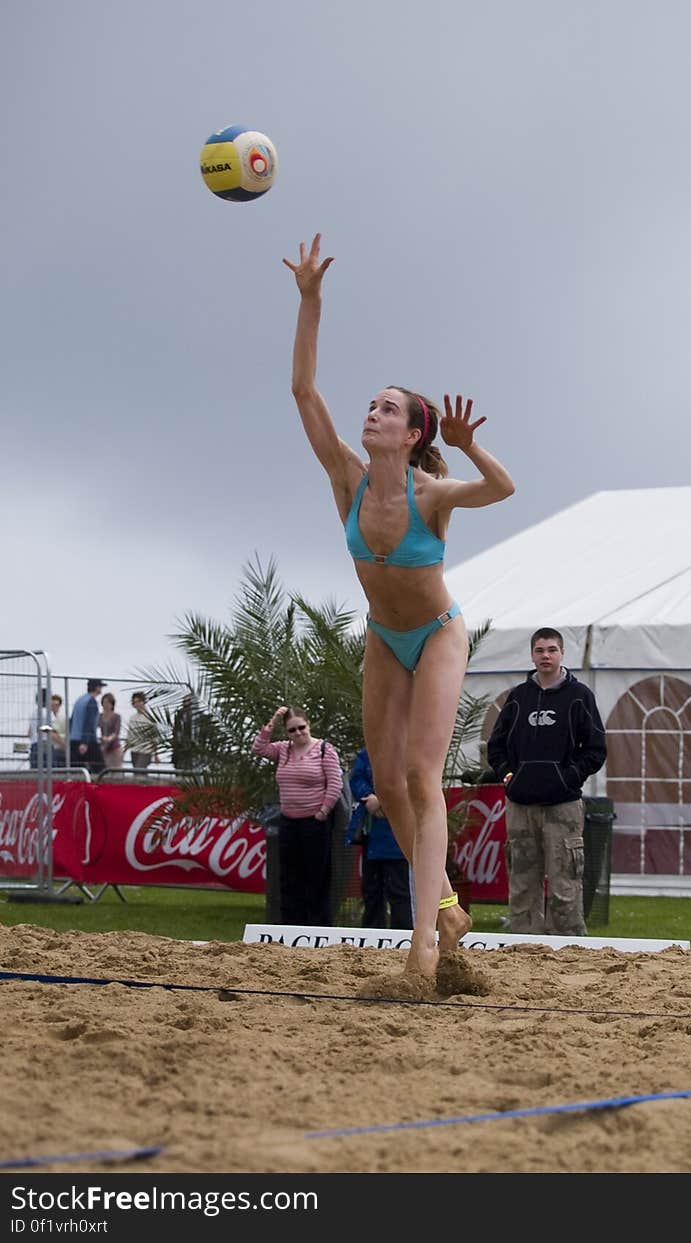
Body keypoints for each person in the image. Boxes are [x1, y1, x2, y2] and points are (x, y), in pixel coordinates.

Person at [284, 233, 515, 981]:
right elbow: (303, 393)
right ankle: (445, 907)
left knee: (421, 778)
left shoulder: (432, 493)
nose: (372, 413)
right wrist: (311, 302)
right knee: (385, 789)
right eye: (372, 405)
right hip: (386, 637)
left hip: (439, 635)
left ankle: (422, 951)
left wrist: (469, 447)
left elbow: (503, 489)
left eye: (388, 409)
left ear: (414, 433)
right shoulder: (346, 478)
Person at [487, 627, 607, 935]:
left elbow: (596, 750)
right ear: (532, 654)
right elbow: (496, 746)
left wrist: (568, 778)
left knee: (565, 885)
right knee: (522, 886)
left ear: (562, 653)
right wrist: (509, 777)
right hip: (521, 808)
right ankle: (524, 951)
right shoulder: (518, 698)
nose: (546, 656)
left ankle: (568, 953)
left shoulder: (580, 697)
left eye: (552, 650)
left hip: (562, 808)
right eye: (540, 650)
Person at [252, 705, 343, 926]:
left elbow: (335, 783)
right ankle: (291, 926)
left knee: (317, 877)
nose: (298, 733)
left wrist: (323, 811)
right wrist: (274, 719)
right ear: (286, 733)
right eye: (292, 730)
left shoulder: (324, 750)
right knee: (289, 878)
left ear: (308, 725)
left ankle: (319, 926)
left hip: (315, 822)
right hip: (288, 822)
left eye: (301, 727)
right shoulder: (283, 749)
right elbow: (259, 748)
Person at [346, 747, 414, 930]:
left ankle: (403, 936)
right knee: (371, 890)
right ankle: (371, 937)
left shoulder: (411, 750)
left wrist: (384, 802)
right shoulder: (367, 753)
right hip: (373, 836)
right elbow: (357, 779)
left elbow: (414, 782)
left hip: (400, 837)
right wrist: (369, 798)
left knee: (400, 892)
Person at [68, 678, 106, 775]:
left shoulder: (79, 700)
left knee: (77, 771)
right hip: (87, 741)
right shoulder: (91, 701)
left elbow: (72, 720)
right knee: (100, 769)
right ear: (97, 688)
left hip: (73, 738)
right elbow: (89, 723)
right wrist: (84, 742)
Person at [126, 692, 158, 772]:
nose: (137, 704)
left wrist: (156, 754)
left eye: (139, 701)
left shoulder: (150, 718)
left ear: (143, 702)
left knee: (139, 771)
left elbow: (154, 738)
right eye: (135, 702)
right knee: (138, 772)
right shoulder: (132, 718)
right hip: (134, 750)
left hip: (146, 750)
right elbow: (129, 735)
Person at [99, 692, 123, 771]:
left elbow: (117, 732)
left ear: (112, 704)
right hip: (104, 748)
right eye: (104, 702)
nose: (106, 705)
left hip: (114, 747)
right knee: (105, 770)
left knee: (116, 771)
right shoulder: (99, 716)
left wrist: (109, 738)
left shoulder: (116, 716)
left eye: (108, 703)